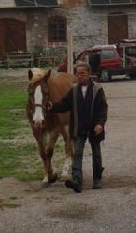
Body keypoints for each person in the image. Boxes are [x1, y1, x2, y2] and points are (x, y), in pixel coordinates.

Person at [48, 62, 108, 192]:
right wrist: (52, 106)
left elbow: (103, 109)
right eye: (77, 73)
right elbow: (65, 104)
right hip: (79, 126)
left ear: (89, 74)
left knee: (96, 153)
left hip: (94, 127)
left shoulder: (97, 89)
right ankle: (77, 180)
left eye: (82, 73)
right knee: (78, 153)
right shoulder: (74, 89)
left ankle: (97, 178)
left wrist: (100, 124)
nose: (79, 76)